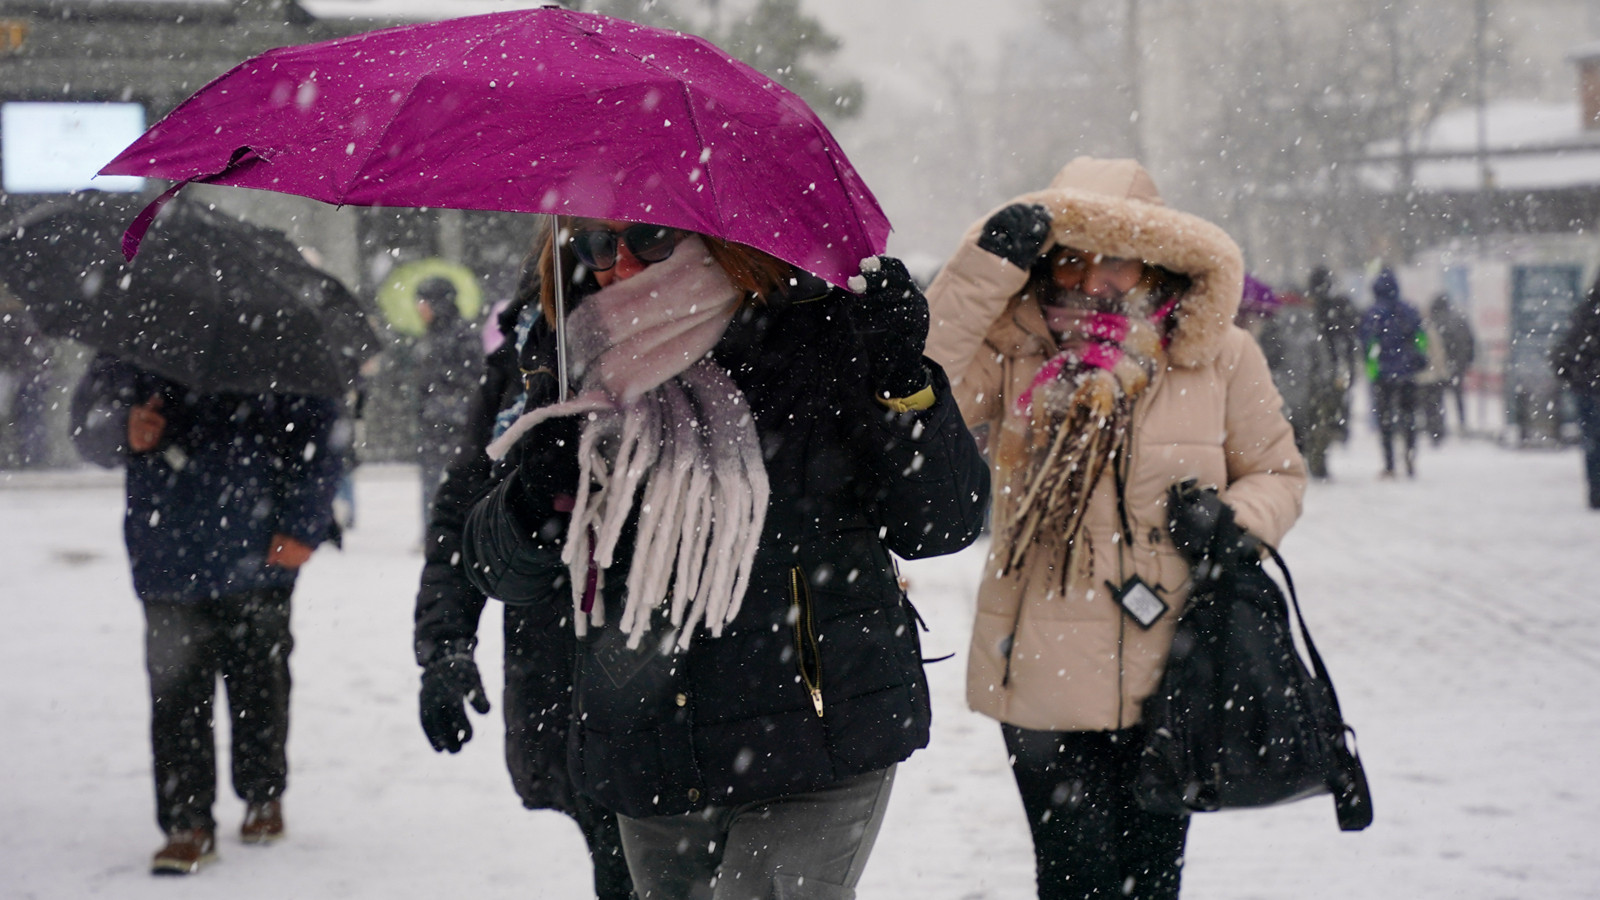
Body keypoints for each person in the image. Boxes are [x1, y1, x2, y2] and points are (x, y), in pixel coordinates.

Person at [460, 218, 989, 899]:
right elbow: (501, 569)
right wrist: (535, 494)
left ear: (717, 235)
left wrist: (904, 381)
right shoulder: (571, 355)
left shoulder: (822, 323)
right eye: (597, 242)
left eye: (648, 237)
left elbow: (939, 523)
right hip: (650, 740)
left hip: (815, 735)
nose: (619, 263)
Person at [924, 156, 1306, 900]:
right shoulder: (1015, 350)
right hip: (1042, 668)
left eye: (1117, 260)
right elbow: (915, 380)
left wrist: (1232, 524)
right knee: (1073, 877)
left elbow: (1278, 474)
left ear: (1155, 261)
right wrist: (979, 270)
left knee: (1153, 879)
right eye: (1072, 256)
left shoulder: (1220, 357)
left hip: (1172, 668)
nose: (1092, 278)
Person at [70, 353, 344, 875]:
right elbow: (87, 425)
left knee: (260, 681)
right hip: (168, 547)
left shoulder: (277, 330)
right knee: (175, 689)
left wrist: (305, 524)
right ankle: (185, 822)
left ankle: (263, 793)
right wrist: (121, 429)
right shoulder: (138, 337)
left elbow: (322, 437)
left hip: (261, 548)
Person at [414, 257, 635, 900]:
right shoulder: (533, 353)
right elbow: (466, 507)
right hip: (569, 660)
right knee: (618, 861)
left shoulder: (725, 328)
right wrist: (445, 640)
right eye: (595, 242)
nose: (617, 259)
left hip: (707, 676)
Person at [413, 276, 484, 526]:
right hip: (435, 423)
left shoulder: (460, 335)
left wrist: (446, 390)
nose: (419, 307)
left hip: (454, 423)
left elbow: (475, 377)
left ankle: (449, 530)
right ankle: (435, 529)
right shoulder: (430, 336)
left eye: (423, 301)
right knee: (432, 479)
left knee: (451, 481)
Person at [1259, 291, 1343, 479]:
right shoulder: (1311, 329)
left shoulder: (1273, 327)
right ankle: (1317, 466)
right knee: (1314, 431)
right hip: (1308, 392)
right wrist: (1323, 384)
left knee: (1282, 433)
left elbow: (1262, 359)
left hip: (1279, 390)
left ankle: (1283, 466)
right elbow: (1323, 364)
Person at [1359, 267, 1428, 478]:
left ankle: (1389, 464)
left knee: (1385, 420)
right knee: (1409, 417)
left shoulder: (1373, 313)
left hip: (1383, 374)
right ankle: (1409, 456)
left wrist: (1372, 370)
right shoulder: (1408, 309)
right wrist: (1414, 358)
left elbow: (1367, 344)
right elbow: (1421, 339)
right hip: (1407, 372)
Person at [1551, 274, 1600, 509]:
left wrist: (1576, 377)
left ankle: (1596, 491)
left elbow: (1565, 352)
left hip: (1588, 389)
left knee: (1593, 444)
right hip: (1589, 386)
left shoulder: (1586, 311)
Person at [1305, 266, 1362, 444]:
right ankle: (1337, 427)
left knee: (1319, 408)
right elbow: (1351, 333)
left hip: (1319, 367)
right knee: (1338, 399)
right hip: (1338, 363)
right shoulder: (1341, 304)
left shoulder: (1311, 309)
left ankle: (1323, 437)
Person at [1431, 293, 1477, 435]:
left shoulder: (1436, 321)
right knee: (1458, 396)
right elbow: (1470, 340)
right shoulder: (1460, 318)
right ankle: (1462, 423)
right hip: (1459, 364)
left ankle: (1439, 428)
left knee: (1438, 398)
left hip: (1441, 366)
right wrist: (1468, 360)